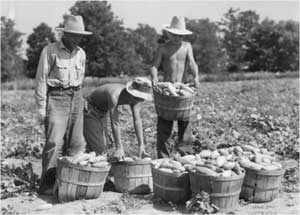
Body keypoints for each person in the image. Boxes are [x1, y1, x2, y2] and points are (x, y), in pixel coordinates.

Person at [34, 14, 92, 195]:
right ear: (64, 34)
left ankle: (69, 183)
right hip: (57, 98)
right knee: (53, 142)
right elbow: (41, 80)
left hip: (76, 97)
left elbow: (80, 80)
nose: (77, 38)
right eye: (74, 34)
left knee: (76, 144)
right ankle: (46, 185)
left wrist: (81, 101)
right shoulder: (49, 51)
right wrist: (41, 108)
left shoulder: (81, 53)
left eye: (80, 35)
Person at [150, 16, 200, 158]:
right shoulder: (163, 48)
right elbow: (154, 66)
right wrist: (154, 77)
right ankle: (163, 158)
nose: (178, 38)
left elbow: (192, 63)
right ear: (169, 33)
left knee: (185, 123)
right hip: (168, 89)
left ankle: (186, 156)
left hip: (182, 88)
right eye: (175, 35)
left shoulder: (186, 47)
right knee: (164, 124)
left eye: (180, 35)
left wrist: (196, 76)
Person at [83, 77, 152, 161]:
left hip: (103, 111)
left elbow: (137, 120)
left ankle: (89, 155)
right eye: (136, 97)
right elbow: (115, 122)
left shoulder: (137, 99)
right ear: (131, 92)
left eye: (140, 98)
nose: (138, 100)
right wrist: (119, 147)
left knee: (103, 147)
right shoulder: (115, 94)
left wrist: (141, 145)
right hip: (90, 109)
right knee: (99, 149)